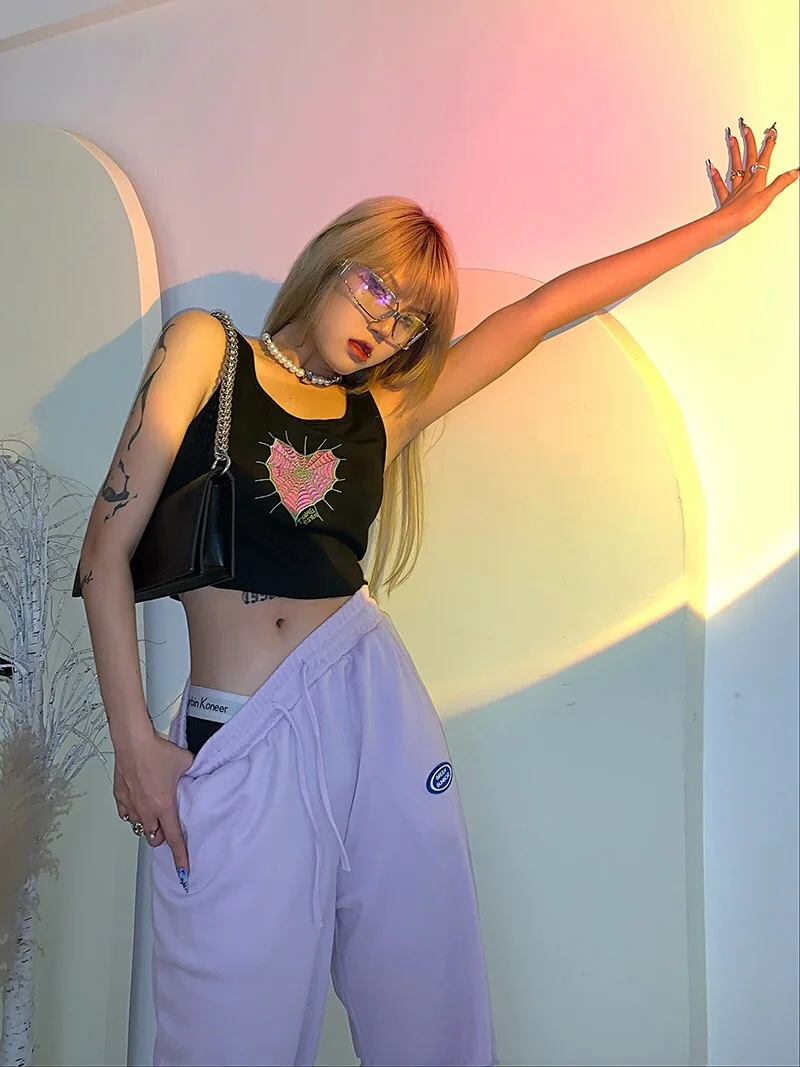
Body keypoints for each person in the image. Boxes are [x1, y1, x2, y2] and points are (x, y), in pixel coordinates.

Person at [77, 121, 794, 1067]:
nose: (386, 325)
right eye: (377, 288)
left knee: (428, 1001)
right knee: (225, 1033)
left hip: (371, 709)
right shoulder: (208, 349)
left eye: (410, 319)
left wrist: (721, 224)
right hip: (239, 733)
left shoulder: (381, 412)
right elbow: (105, 551)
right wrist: (134, 744)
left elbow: (539, 312)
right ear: (332, 260)